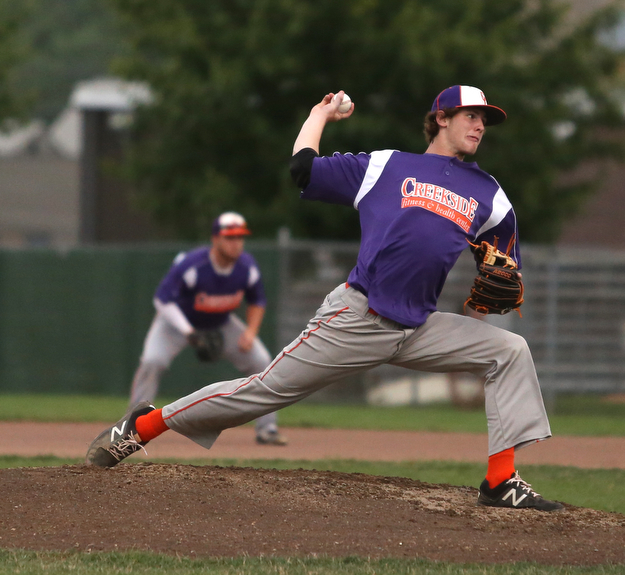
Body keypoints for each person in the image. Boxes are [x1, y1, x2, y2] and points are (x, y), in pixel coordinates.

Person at [86, 85, 563, 511]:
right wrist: (320, 116)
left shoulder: (490, 194)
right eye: (471, 115)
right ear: (441, 118)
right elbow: (303, 169)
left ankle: (500, 480)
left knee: (509, 350)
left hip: (418, 327)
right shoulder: (387, 166)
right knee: (261, 393)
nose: (480, 125)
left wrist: (498, 284)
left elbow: (500, 267)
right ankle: (145, 426)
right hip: (359, 318)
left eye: (485, 119)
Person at [127, 211, 287, 446]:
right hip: (176, 323)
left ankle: (268, 428)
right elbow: (162, 300)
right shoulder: (194, 265)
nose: (236, 243)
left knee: (262, 360)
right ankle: (133, 427)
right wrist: (188, 332)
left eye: (240, 237)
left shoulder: (246, 267)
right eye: (229, 238)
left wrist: (251, 332)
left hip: (221, 323)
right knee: (153, 361)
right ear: (215, 240)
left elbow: (257, 301)